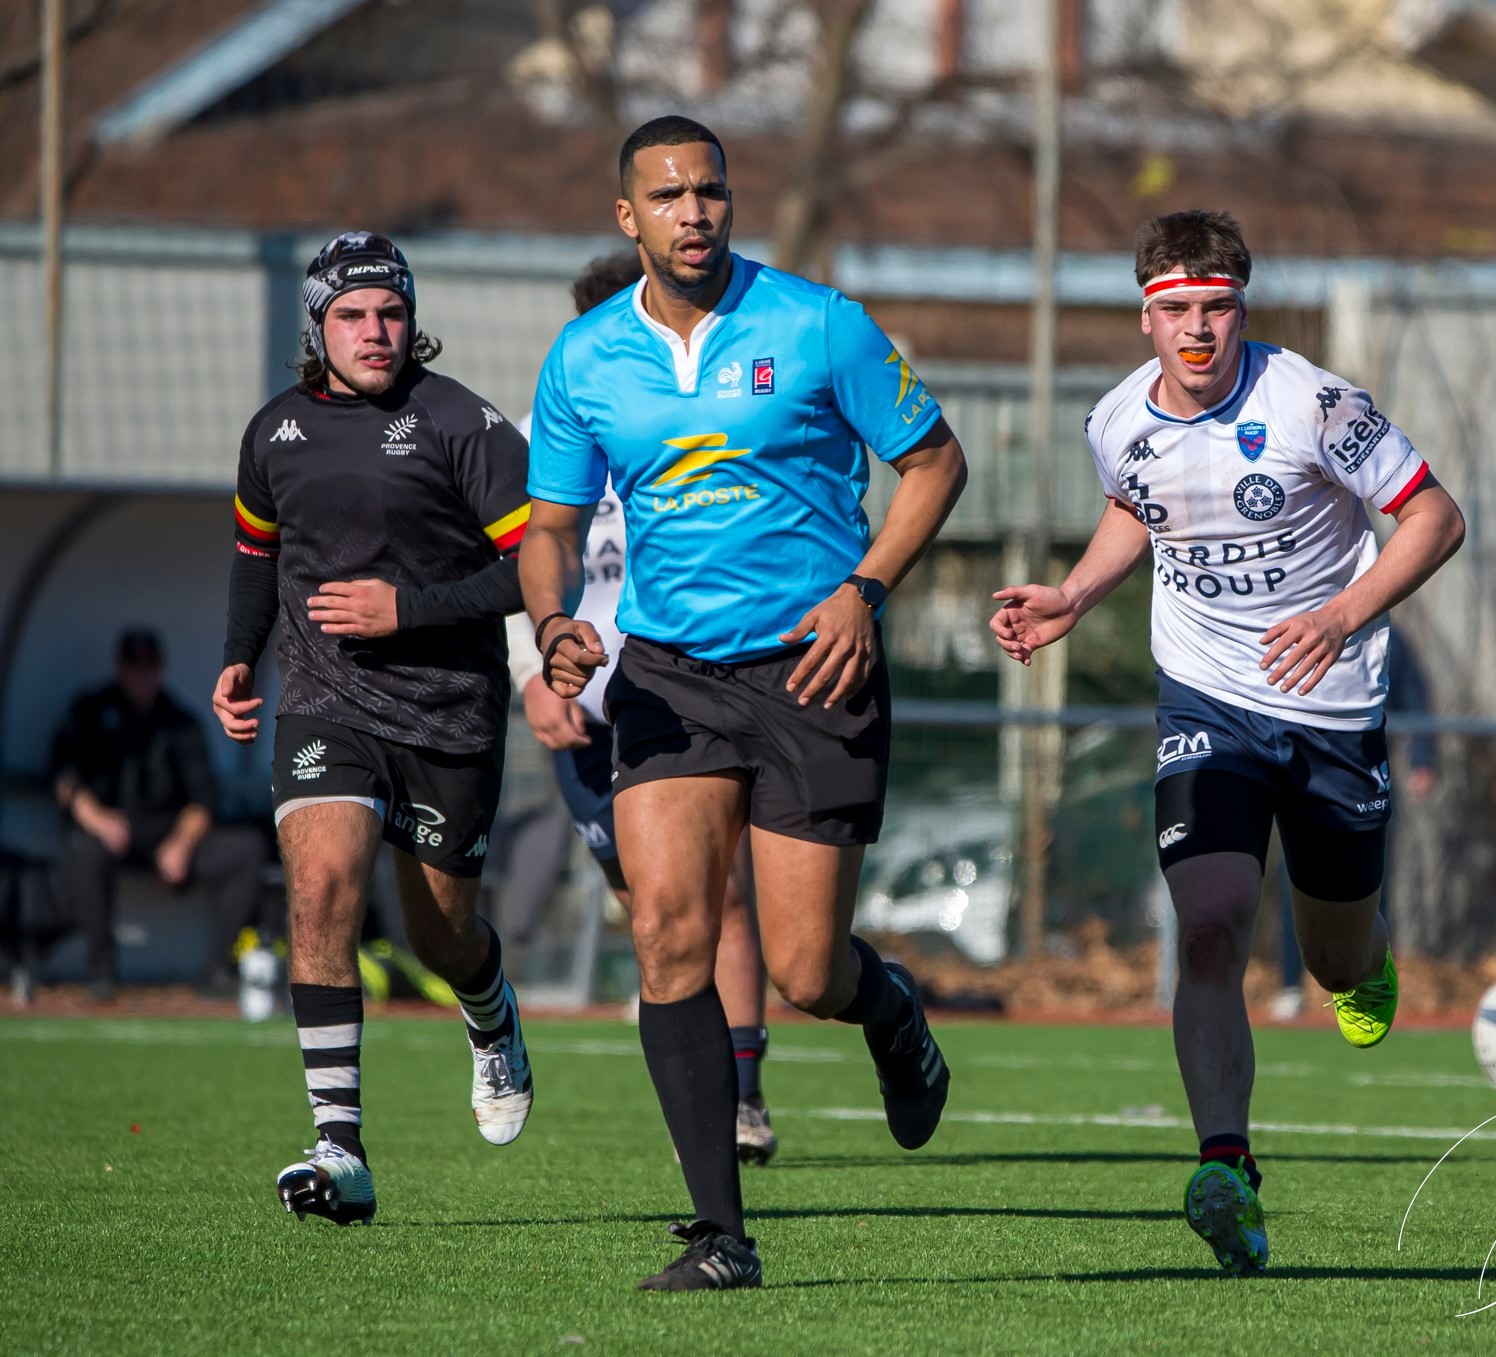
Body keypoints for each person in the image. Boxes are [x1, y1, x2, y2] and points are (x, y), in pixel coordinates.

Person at [520, 116, 970, 1291]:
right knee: (668, 931)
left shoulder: (821, 324)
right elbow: (553, 526)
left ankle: (892, 1018)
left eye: (709, 190)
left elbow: (934, 464)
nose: (693, 212)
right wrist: (556, 622)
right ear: (628, 219)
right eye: (666, 196)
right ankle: (721, 1234)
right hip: (669, 675)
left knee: (806, 973)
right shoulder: (582, 357)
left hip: (813, 672)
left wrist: (864, 590)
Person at [990, 210, 1464, 1276]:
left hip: (1334, 707)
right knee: (1210, 925)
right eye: (1176, 312)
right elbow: (1136, 510)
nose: (1198, 331)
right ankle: (1224, 1166)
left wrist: (1343, 614)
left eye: (1216, 308)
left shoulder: (1313, 403)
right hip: (1205, 700)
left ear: (1240, 307)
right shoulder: (1115, 419)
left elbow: (1433, 517)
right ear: (1145, 317)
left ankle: (1362, 962)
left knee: (1334, 949)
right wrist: (1070, 594)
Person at [211, 231, 537, 1226]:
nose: (374, 331)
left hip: (449, 710)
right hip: (325, 698)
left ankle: (490, 1016)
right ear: (317, 326)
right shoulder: (274, 433)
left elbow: (536, 570)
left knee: (440, 935)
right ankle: (338, 1146)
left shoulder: (461, 424)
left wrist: (410, 608)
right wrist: (238, 653)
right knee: (319, 887)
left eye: (390, 312)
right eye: (351, 315)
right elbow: (257, 555)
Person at [506, 248, 779, 1166]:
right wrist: (530, 671)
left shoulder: (705, 424)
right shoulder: (553, 427)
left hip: (679, 687)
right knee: (653, 909)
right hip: (582, 705)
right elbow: (521, 562)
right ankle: (700, 1076)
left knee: (721, 896)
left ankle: (741, 1098)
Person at [52, 628, 268, 1001]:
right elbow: (63, 777)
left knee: (248, 849)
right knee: (84, 850)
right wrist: (98, 819)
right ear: (120, 668)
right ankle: (101, 973)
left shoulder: (180, 722)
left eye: (149, 666)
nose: (142, 675)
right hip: (111, 835)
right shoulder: (90, 711)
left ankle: (216, 972)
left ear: (160, 669)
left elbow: (203, 798)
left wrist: (181, 845)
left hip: (170, 838)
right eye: (134, 666)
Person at [1270, 628, 1437, 1019]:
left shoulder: (1382, 632)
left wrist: (1423, 757)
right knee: (1293, 886)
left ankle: (1368, 978)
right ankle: (1289, 985)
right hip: (1293, 770)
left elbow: (1415, 692)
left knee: (1371, 887)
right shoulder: (1276, 620)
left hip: (1358, 772)